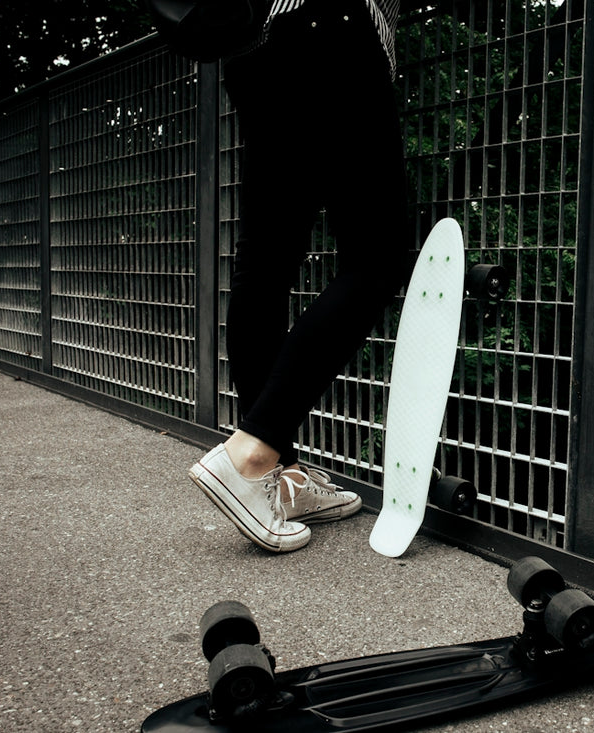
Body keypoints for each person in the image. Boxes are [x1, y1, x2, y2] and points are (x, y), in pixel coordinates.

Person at [189, 0, 408, 553]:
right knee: (377, 259)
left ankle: (277, 476)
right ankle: (251, 454)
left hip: (259, 52)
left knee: (265, 265)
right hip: (335, 34)